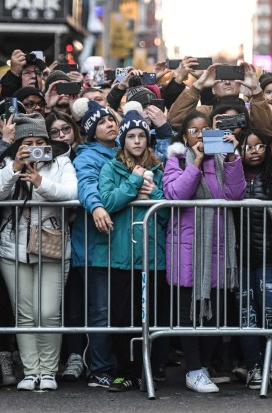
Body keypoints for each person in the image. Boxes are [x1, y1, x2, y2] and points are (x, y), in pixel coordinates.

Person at [0, 112, 78, 391]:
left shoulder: (61, 162)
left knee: (47, 311)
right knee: (24, 313)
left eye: (40, 141)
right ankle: (30, 371)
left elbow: (71, 193)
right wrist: (14, 168)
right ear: (19, 145)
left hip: (51, 244)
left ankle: (48, 371)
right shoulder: (8, 163)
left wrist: (39, 181)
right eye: (29, 142)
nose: (35, 147)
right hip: (12, 247)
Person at [163, 110, 245, 393]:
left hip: (219, 247)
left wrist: (233, 157)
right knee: (190, 313)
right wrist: (195, 162)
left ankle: (204, 366)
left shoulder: (225, 160)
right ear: (185, 136)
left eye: (205, 129)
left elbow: (236, 195)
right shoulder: (177, 160)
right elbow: (176, 194)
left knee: (217, 312)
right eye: (194, 131)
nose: (200, 135)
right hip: (189, 249)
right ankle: (194, 369)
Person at [97, 105, 168, 391]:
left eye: (141, 136)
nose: (137, 141)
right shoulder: (110, 167)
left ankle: (150, 368)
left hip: (153, 256)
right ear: (122, 140)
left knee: (152, 315)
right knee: (121, 316)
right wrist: (134, 180)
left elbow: (166, 213)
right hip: (122, 256)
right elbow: (108, 201)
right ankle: (125, 370)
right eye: (131, 136)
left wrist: (155, 194)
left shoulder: (159, 168)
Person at [70, 100, 120, 389]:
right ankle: (99, 369)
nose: (110, 124)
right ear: (91, 130)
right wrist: (97, 206)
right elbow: (86, 184)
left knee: (118, 311)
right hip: (93, 247)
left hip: (120, 247)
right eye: (102, 122)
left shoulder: (125, 152)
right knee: (100, 312)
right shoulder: (87, 156)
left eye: (112, 119)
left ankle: (119, 365)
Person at [234, 128, 272, 389]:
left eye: (260, 146)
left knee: (269, 311)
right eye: (248, 146)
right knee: (246, 314)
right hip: (241, 257)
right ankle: (253, 366)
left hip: (269, 256)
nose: (254, 152)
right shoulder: (233, 174)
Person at [168, 62, 272, 140]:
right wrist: (198, 86)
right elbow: (175, 122)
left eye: (232, 78)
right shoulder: (204, 113)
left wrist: (256, 90)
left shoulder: (251, 114)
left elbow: (267, 132)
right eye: (221, 79)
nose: (227, 82)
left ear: (241, 85)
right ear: (213, 89)